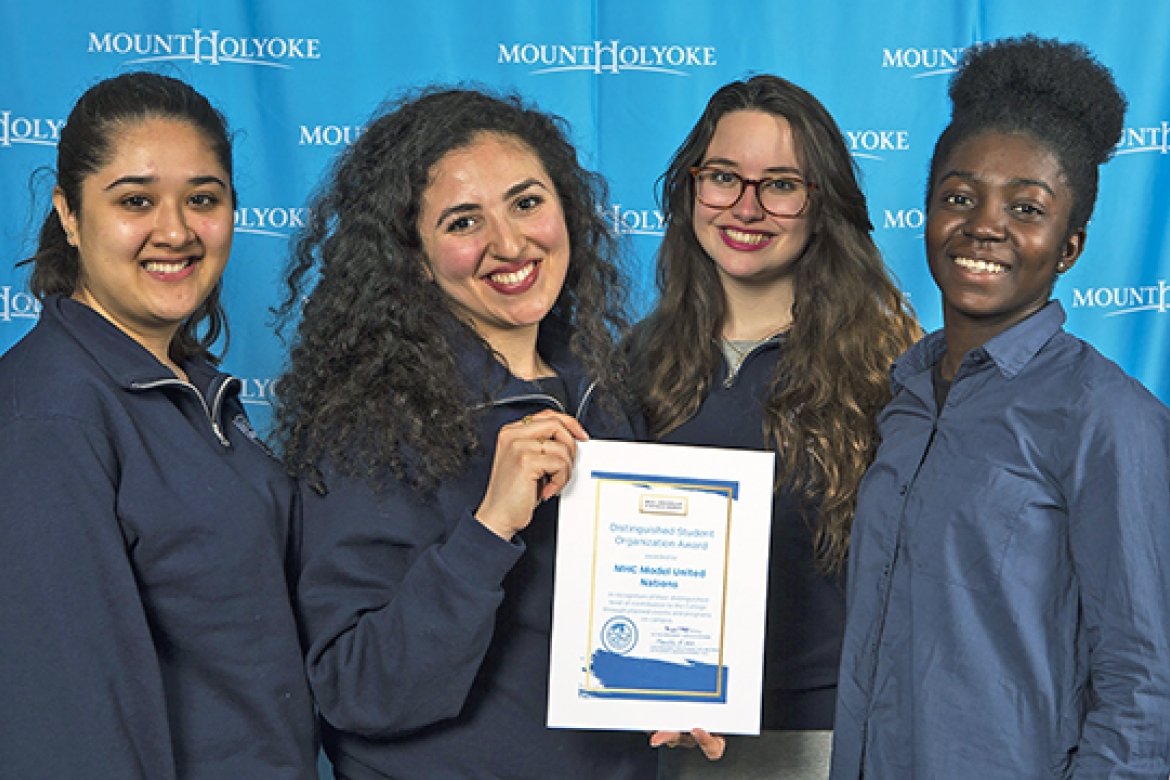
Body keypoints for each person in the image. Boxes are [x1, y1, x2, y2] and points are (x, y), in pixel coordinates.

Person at [273, 86, 664, 779]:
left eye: (526, 202)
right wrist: (489, 528)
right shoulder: (372, 421)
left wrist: (678, 697)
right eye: (462, 222)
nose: (509, 243)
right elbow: (355, 686)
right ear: (416, 260)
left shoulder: (604, 392)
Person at [831, 35, 1170, 778]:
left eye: (1026, 207)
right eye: (959, 197)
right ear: (925, 213)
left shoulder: (1109, 417)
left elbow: (1146, 686)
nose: (984, 225)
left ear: (1070, 245)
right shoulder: (906, 397)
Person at [0, 72, 317, 778]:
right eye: (135, 201)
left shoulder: (196, 392)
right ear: (70, 215)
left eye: (202, 200)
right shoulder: (48, 415)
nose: (174, 231)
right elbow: (71, 726)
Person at [627, 75, 920, 779]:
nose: (747, 208)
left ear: (822, 204)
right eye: (724, 177)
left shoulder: (892, 367)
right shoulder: (636, 361)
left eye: (781, 184)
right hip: (665, 742)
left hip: (822, 744)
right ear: (691, 187)